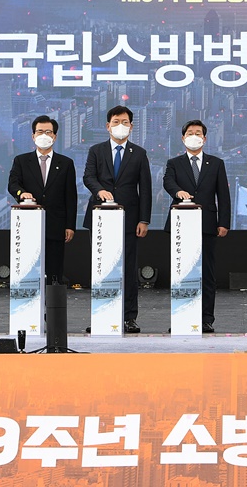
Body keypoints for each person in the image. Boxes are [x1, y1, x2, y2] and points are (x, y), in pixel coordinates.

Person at [83, 105, 152, 334]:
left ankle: (129, 317)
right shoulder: (96, 150)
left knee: (129, 270)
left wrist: (144, 220)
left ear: (131, 127)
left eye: (124, 122)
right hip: (101, 218)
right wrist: (99, 190)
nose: (119, 126)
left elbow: (146, 189)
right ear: (107, 126)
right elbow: (88, 177)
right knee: (101, 269)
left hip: (130, 220)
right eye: (115, 122)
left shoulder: (139, 153)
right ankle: (101, 314)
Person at [163, 119, 231, 333]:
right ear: (183, 138)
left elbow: (224, 196)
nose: (194, 136)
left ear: (204, 138)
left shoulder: (216, 163)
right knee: (181, 272)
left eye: (198, 133)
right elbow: (168, 182)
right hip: (181, 224)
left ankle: (206, 318)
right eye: (190, 133)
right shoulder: (174, 163)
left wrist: (224, 222)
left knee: (207, 273)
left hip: (208, 224)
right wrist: (178, 192)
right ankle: (181, 317)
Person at [8, 115, 78, 285]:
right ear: (33, 136)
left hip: (56, 225)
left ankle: (51, 309)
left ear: (54, 136)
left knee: (54, 272)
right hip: (29, 226)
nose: (44, 135)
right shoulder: (22, 161)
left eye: (48, 132)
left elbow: (71, 196)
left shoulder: (66, 163)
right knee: (29, 271)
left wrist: (70, 225)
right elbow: (12, 184)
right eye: (40, 131)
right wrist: (21, 193)